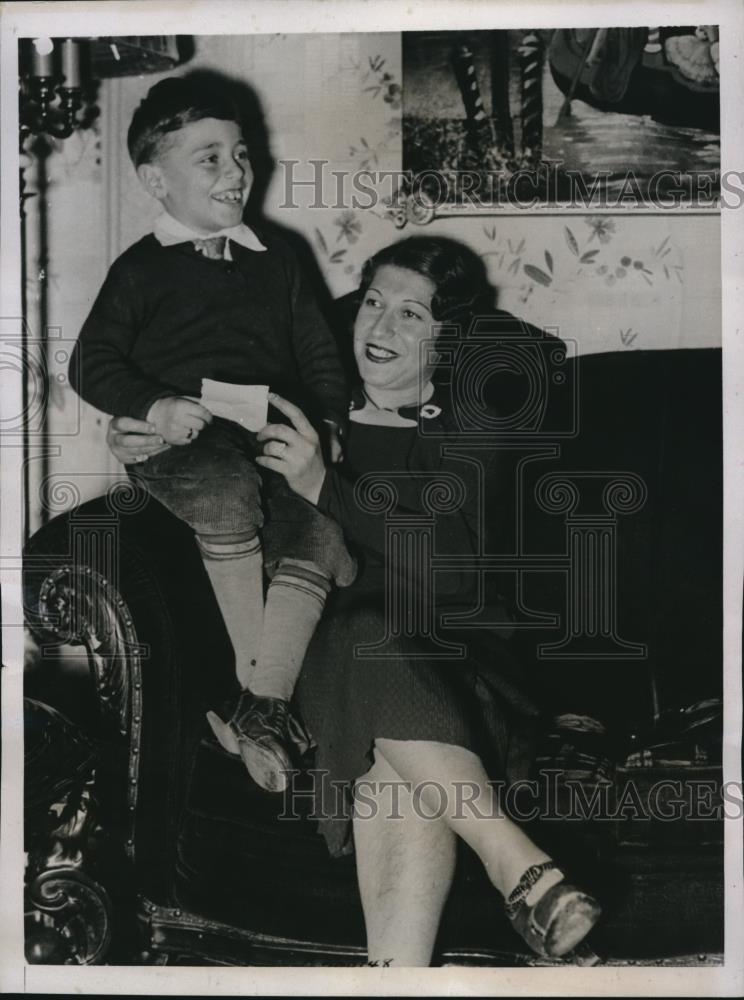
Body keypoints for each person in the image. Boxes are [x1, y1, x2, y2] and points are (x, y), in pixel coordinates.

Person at [107, 235, 601, 966]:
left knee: (366, 652)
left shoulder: (477, 429)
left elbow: (458, 574)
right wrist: (139, 423)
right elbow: (192, 424)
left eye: (411, 314)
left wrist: (325, 490)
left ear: (448, 339)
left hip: (461, 679)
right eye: (373, 303)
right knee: (359, 645)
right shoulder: (298, 409)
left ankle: (466, 914)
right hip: (337, 687)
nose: (380, 327)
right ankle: (523, 873)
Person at [69, 76, 356, 794]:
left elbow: (320, 355)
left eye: (241, 154)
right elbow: (90, 360)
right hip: (185, 441)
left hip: (269, 438)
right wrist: (155, 406)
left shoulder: (279, 257)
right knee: (227, 492)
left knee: (319, 532)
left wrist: (325, 427)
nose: (235, 172)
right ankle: (255, 686)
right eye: (209, 158)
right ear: (153, 180)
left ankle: (263, 708)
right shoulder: (141, 269)